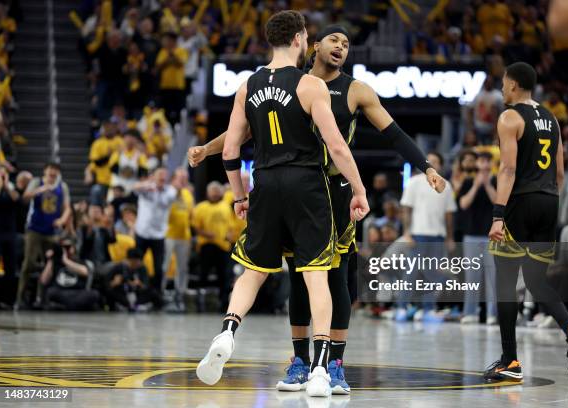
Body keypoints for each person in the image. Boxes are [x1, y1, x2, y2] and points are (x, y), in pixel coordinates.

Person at [189, 23, 446, 394]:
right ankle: (300, 362)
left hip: (336, 190)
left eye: (346, 43)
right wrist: (206, 150)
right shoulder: (299, 83)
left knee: (336, 277)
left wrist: (427, 167)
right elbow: (242, 133)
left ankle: (334, 364)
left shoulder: (355, 89)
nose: (341, 47)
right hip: (307, 188)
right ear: (312, 45)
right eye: (334, 41)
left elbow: (395, 134)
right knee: (301, 278)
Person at [194, 11, 370, 398]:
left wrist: (240, 195)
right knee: (316, 275)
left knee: (253, 272)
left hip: (266, 181)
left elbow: (230, 150)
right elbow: (337, 146)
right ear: (299, 40)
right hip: (306, 184)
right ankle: (321, 369)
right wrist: (358, 189)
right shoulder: (310, 85)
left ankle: (227, 331)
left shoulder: (247, 85)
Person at [486, 62, 568, 383]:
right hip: (549, 201)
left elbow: (507, 169)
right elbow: (559, 171)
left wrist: (498, 215)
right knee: (535, 281)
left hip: (521, 202)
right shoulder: (552, 119)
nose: (502, 89)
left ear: (515, 86)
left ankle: (510, 361)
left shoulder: (509, 117)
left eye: (504, 84)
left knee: (505, 283)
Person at [400, 151, 455, 321]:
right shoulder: (413, 183)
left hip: (438, 235)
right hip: (418, 235)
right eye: (429, 161)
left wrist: (450, 237)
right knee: (411, 272)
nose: (432, 164)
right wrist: (407, 233)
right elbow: (406, 210)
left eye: (435, 161)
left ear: (440, 165)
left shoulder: (446, 186)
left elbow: (449, 215)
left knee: (433, 274)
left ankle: (428, 308)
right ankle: (402, 307)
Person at [16, 163, 71, 309]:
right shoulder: (36, 182)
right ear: (45, 171)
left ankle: (42, 298)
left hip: (51, 231)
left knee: (50, 264)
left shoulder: (62, 186)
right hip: (34, 229)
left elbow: (67, 208)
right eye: (50, 170)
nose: (53, 172)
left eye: (56, 170)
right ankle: (20, 298)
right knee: (29, 264)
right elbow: (25, 198)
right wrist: (40, 190)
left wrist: (62, 220)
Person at [458, 151, 498, 325]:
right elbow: (463, 203)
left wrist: (487, 184)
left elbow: (499, 203)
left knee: (492, 277)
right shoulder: (467, 182)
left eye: (487, 161)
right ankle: (470, 312)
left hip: (492, 236)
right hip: (471, 235)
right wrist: (476, 185)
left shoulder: (497, 181)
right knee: (471, 277)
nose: (484, 165)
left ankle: (492, 314)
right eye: (481, 161)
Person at [132, 167, 178, 292]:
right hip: (142, 232)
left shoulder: (170, 191)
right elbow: (134, 187)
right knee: (137, 264)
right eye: (159, 175)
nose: (162, 177)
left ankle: (156, 294)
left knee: (159, 267)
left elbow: (166, 200)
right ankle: (135, 291)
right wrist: (147, 184)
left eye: (164, 175)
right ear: (154, 176)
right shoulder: (146, 187)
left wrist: (157, 189)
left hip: (158, 235)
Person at [191, 181, 232, 312]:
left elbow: (230, 224)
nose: (214, 194)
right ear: (208, 193)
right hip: (206, 245)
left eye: (216, 191)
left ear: (220, 193)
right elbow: (195, 227)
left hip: (223, 246)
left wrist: (230, 235)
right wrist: (205, 233)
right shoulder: (200, 207)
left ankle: (224, 302)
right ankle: (200, 300)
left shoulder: (226, 206)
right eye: (212, 191)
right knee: (203, 274)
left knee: (224, 275)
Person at [39, 238, 101, 311]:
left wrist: (65, 261)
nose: (66, 250)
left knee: (94, 294)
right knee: (50, 292)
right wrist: (50, 260)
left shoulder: (79, 261)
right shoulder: (55, 262)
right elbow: (43, 280)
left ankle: (65, 306)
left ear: (74, 248)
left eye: (68, 247)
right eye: (64, 247)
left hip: (76, 292)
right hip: (61, 292)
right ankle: (72, 306)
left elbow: (85, 272)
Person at [163, 168, 194, 311]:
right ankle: (161, 291)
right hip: (168, 234)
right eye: (181, 177)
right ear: (174, 178)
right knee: (165, 265)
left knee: (182, 267)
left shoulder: (188, 194)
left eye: (185, 177)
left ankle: (180, 293)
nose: (183, 180)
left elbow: (190, 213)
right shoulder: (167, 192)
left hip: (184, 235)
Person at [0, 164, 19, 307]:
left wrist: (6, 184)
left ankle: (8, 299)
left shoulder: (10, 188)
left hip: (9, 232)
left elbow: (17, 199)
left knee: (11, 267)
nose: (2, 175)